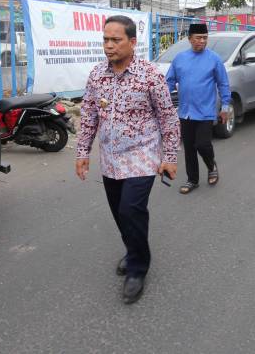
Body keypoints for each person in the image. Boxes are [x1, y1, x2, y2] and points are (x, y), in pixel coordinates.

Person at [76, 15, 180, 304]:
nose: (109, 46)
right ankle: (133, 249)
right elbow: (89, 115)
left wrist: (170, 156)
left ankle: (137, 268)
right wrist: (82, 152)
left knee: (131, 209)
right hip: (110, 158)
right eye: (105, 40)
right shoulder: (97, 74)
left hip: (142, 154)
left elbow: (168, 118)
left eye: (116, 40)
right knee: (119, 213)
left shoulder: (150, 75)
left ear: (132, 42)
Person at [165, 23, 231, 195]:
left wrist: (225, 107)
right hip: (185, 112)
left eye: (205, 38)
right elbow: (169, 82)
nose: (202, 41)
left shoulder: (214, 59)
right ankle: (192, 180)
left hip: (205, 111)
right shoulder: (180, 59)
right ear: (189, 39)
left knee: (202, 144)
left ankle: (211, 165)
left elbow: (223, 84)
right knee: (189, 149)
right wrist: (161, 100)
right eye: (198, 38)